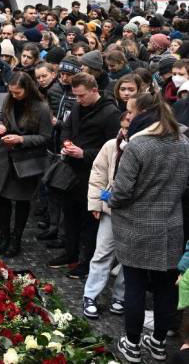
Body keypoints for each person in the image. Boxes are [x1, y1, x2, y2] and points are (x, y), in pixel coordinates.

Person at [109, 93, 189, 363]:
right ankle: (157, 343)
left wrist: (109, 198)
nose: (127, 117)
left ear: (143, 113)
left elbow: (121, 193)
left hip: (136, 226)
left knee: (135, 287)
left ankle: (131, 344)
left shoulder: (138, 146)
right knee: (166, 288)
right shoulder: (183, 142)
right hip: (171, 225)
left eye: (130, 112)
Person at [48, 72, 120, 278]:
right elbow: (67, 128)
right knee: (70, 215)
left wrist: (84, 153)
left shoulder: (110, 114)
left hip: (93, 174)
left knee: (90, 223)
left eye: (81, 96)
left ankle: (86, 262)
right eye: (76, 96)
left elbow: (112, 149)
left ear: (94, 90)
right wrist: (67, 144)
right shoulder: (79, 107)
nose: (78, 100)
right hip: (72, 173)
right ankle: (70, 253)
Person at [0, 72, 52, 257]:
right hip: (2, 156)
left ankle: (16, 238)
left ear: (27, 89)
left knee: (22, 200)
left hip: (25, 160)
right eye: (12, 92)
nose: (14, 96)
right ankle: (4, 236)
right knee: (2, 199)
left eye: (18, 93)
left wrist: (21, 139)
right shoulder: (9, 99)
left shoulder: (41, 108)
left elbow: (45, 137)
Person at [83, 111, 129, 321]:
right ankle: (90, 295)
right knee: (102, 252)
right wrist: (96, 203)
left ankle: (121, 296)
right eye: (123, 127)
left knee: (128, 258)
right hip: (111, 209)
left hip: (133, 212)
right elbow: (98, 173)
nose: (125, 132)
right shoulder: (111, 145)